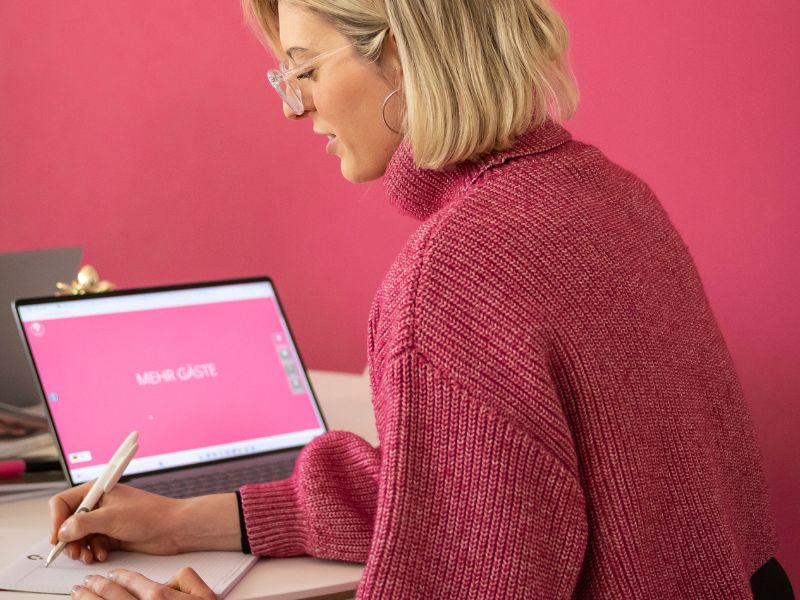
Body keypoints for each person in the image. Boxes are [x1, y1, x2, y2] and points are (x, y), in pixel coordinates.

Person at [53, 1, 794, 599]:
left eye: (303, 67)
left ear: (402, 52)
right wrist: (184, 521)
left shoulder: (455, 273)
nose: (293, 107)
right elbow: (463, 492)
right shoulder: (611, 196)